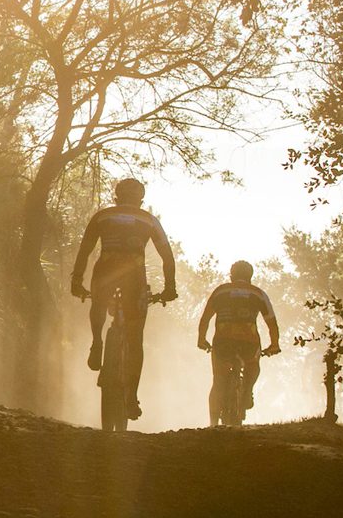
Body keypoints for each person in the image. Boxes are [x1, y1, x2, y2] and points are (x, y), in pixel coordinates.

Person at [69, 177, 177, 423]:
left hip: (105, 271)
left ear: (116, 196)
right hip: (135, 279)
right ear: (140, 200)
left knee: (98, 302)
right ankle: (131, 398)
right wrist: (169, 288)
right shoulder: (149, 220)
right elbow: (167, 257)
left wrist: (76, 281)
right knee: (135, 337)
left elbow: (85, 249)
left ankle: (97, 343)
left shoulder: (102, 217)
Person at [197, 261, 281, 426]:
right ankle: (247, 389)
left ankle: (213, 424)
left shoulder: (221, 291)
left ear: (231, 275)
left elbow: (205, 318)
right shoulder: (258, 294)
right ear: (250, 277)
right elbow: (271, 323)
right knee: (253, 366)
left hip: (222, 342)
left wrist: (201, 339)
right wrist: (274, 344)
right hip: (249, 343)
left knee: (218, 381)